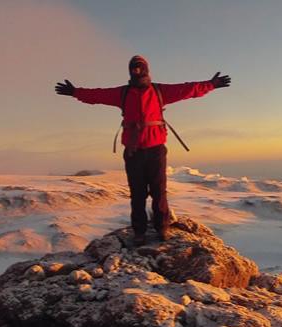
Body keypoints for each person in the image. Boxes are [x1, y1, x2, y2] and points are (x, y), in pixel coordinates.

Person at [55, 55, 231, 245]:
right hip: (133, 151)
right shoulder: (122, 93)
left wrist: (211, 84)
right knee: (137, 193)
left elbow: (188, 89)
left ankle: (161, 227)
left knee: (159, 192)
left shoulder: (159, 90)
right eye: (133, 68)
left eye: (139, 67)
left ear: (146, 69)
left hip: (155, 149)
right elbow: (97, 95)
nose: (136, 71)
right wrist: (75, 92)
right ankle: (139, 232)